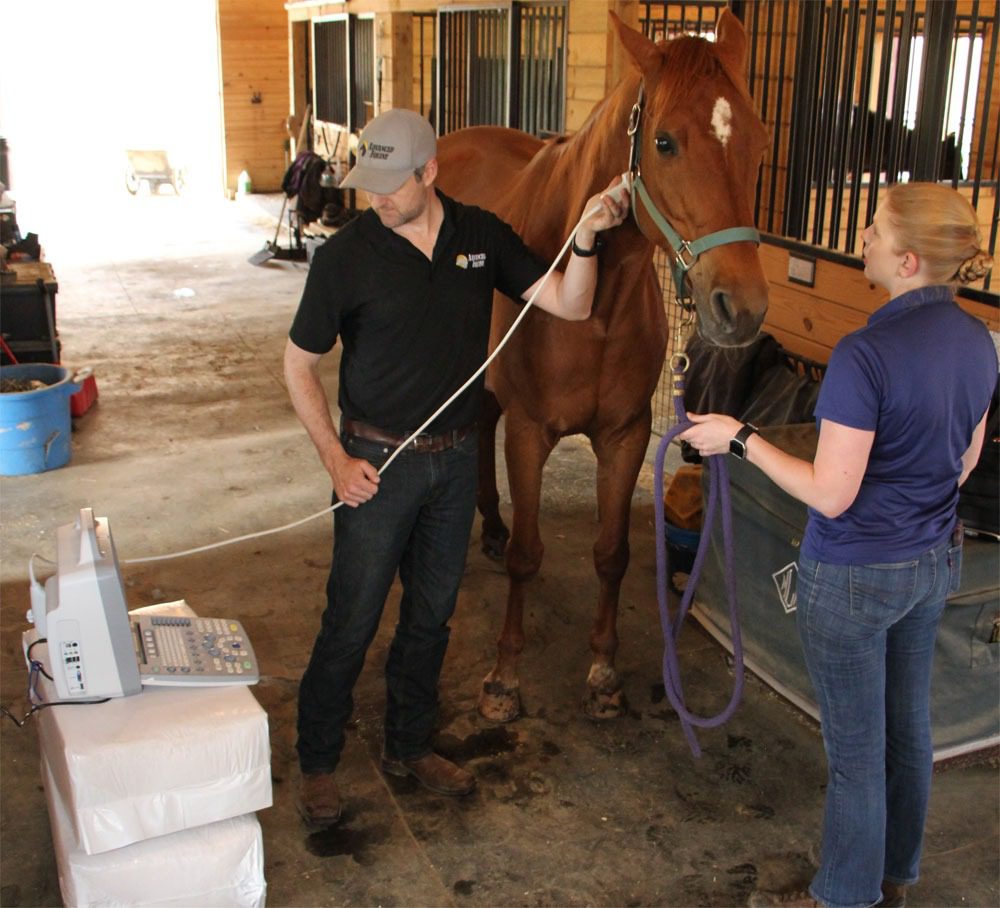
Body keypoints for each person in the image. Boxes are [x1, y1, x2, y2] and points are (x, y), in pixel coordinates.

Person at [284, 108, 626, 827]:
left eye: (390, 183)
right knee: (351, 619)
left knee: (432, 617)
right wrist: (336, 458)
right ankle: (317, 760)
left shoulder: (479, 236)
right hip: (376, 464)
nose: (375, 198)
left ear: (429, 172)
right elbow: (298, 367)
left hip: (454, 461)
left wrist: (588, 238)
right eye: (367, 183)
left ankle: (409, 744)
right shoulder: (344, 258)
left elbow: (569, 300)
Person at [680, 182, 996, 908]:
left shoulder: (865, 352)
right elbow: (966, 459)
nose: (863, 237)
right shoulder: (978, 341)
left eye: (876, 229)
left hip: (855, 574)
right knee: (907, 729)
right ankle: (893, 875)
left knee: (856, 754)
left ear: (909, 259)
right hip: (929, 562)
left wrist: (740, 437)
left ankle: (844, 896)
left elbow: (831, 493)